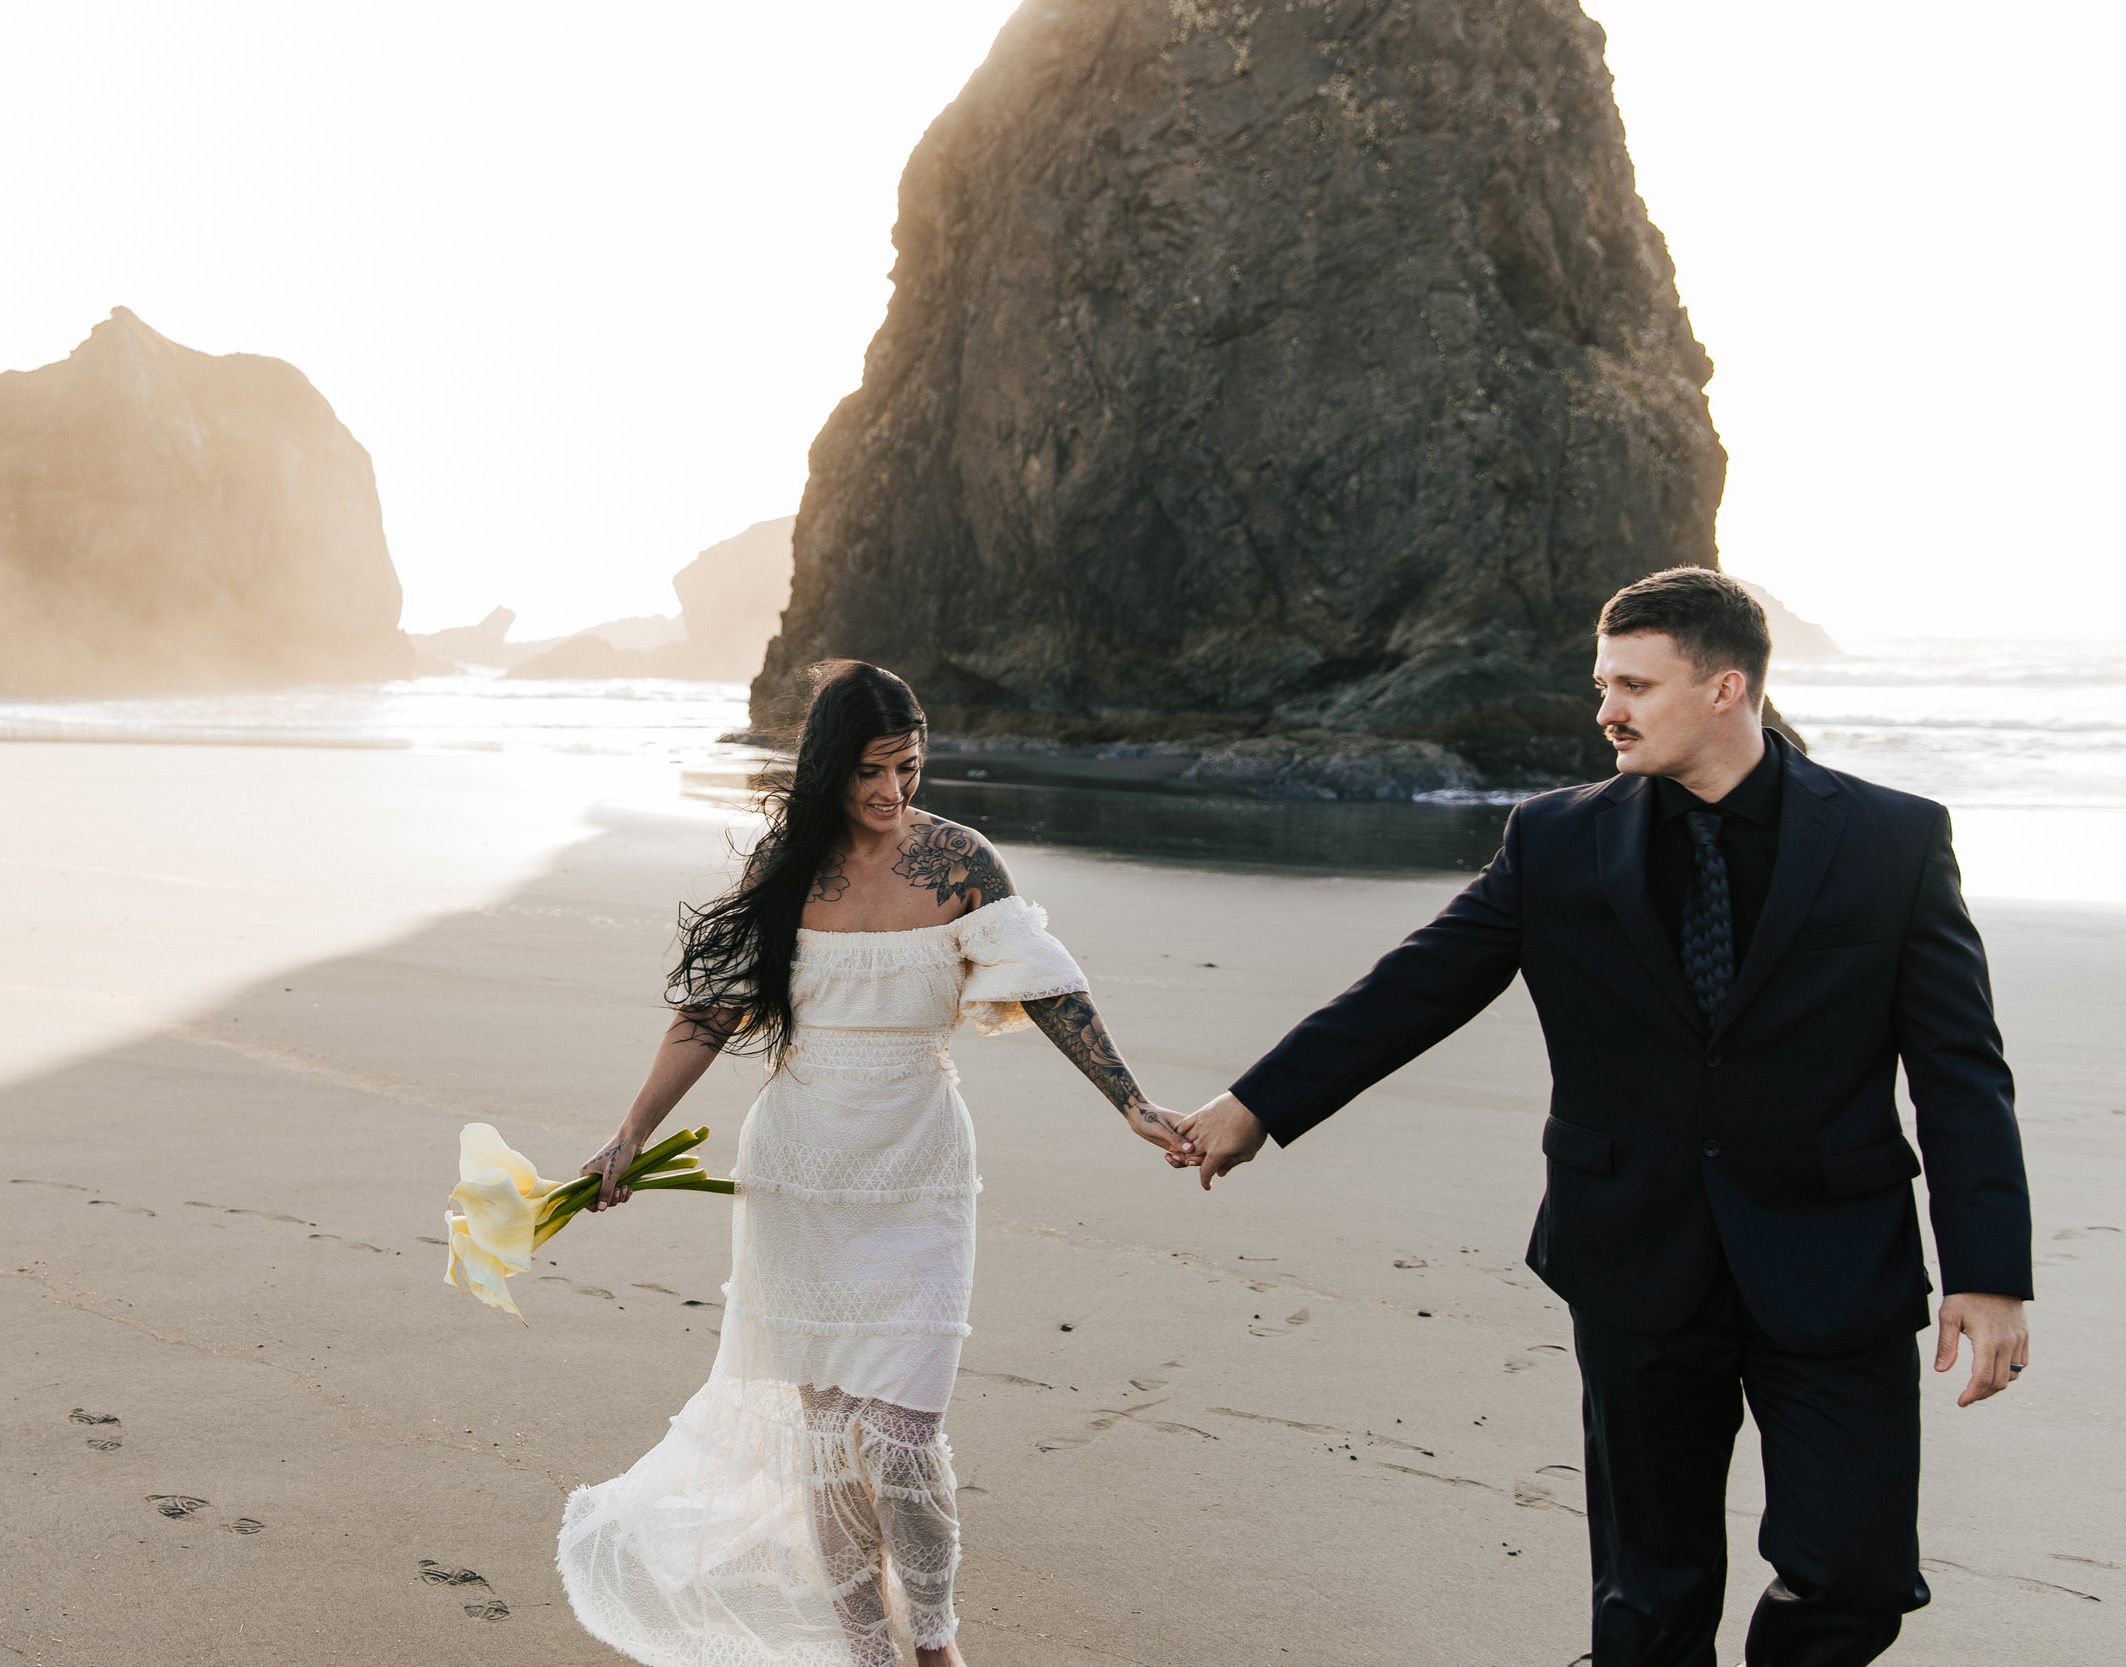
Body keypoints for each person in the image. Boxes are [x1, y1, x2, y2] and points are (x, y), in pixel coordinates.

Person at [1181, 567, 2033, 1667]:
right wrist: (1256, 1105)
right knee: (1647, 1595)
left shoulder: (1890, 840)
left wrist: (1988, 1268)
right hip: (1633, 1250)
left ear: (1726, 688)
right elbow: (1414, 987)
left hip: (1833, 1258)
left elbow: (1962, 1069)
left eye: (1634, 683)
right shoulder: (1555, 840)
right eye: (1601, 683)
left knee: (1855, 1573)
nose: (1606, 710)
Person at [557, 660, 1191, 1667]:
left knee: (898, 1437)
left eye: (907, 763)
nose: (893, 789)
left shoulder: (959, 860)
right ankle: (867, 1649)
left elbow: (1050, 989)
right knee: (828, 1442)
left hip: (919, 1168)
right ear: (826, 768)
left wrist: (1132, 1102)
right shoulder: (789, 864)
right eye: (870, 770)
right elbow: (713, 1013)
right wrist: (629, 1131)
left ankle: (932, 1644)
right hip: (800, 1174)